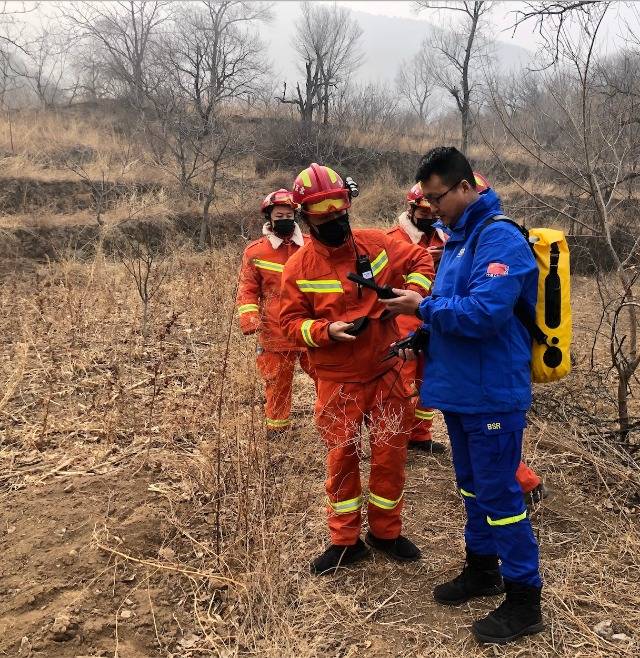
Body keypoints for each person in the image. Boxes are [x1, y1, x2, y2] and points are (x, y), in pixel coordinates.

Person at [382, 147, 544, 644]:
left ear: (466, 187)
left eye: (436, 198)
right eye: (425, 200)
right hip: (460, 390)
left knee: (502, 495)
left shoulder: (499, 238)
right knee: (473, 487)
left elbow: (482, 314)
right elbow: (452, 311)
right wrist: (422, 332)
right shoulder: (458, 240)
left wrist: (424, 307)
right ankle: (483, 569)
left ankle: (524, 598)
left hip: (493, 392)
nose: (430, 208)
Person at [280, 163, 435, 574]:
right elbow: (289, 325)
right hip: (338, 383)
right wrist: (326, 329)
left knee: (390, 456)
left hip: (385, 375)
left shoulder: (376, 244)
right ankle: (345, 541)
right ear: (304, 216)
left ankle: (386, 533)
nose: (333, 218)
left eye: (338, 208)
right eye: (321, 212)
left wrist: (411, 295)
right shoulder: (298, 268)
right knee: (341, 458)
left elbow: (420, 259)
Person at [387, 181, 546, 503]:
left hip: (454, 332)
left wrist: (426, 300)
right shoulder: (396, 240)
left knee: (484, 429)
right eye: (424, 208)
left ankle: (518, 483)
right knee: (411, 389)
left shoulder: (472, 238)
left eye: (434, 206)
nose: (431, 214)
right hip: (422, 326)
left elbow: (483, 309)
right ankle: (412, 437)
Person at [236, 189, 316, 435]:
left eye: (289, 214)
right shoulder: (255, 252)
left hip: (310, 327)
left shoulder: (312, 245)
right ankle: (277, 430)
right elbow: (247, 289)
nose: (284, 218)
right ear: (269, 217)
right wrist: (249, 318)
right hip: (274, 330)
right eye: (279, 214)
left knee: (327, 376)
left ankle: (335, 422)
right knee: (277, 381)